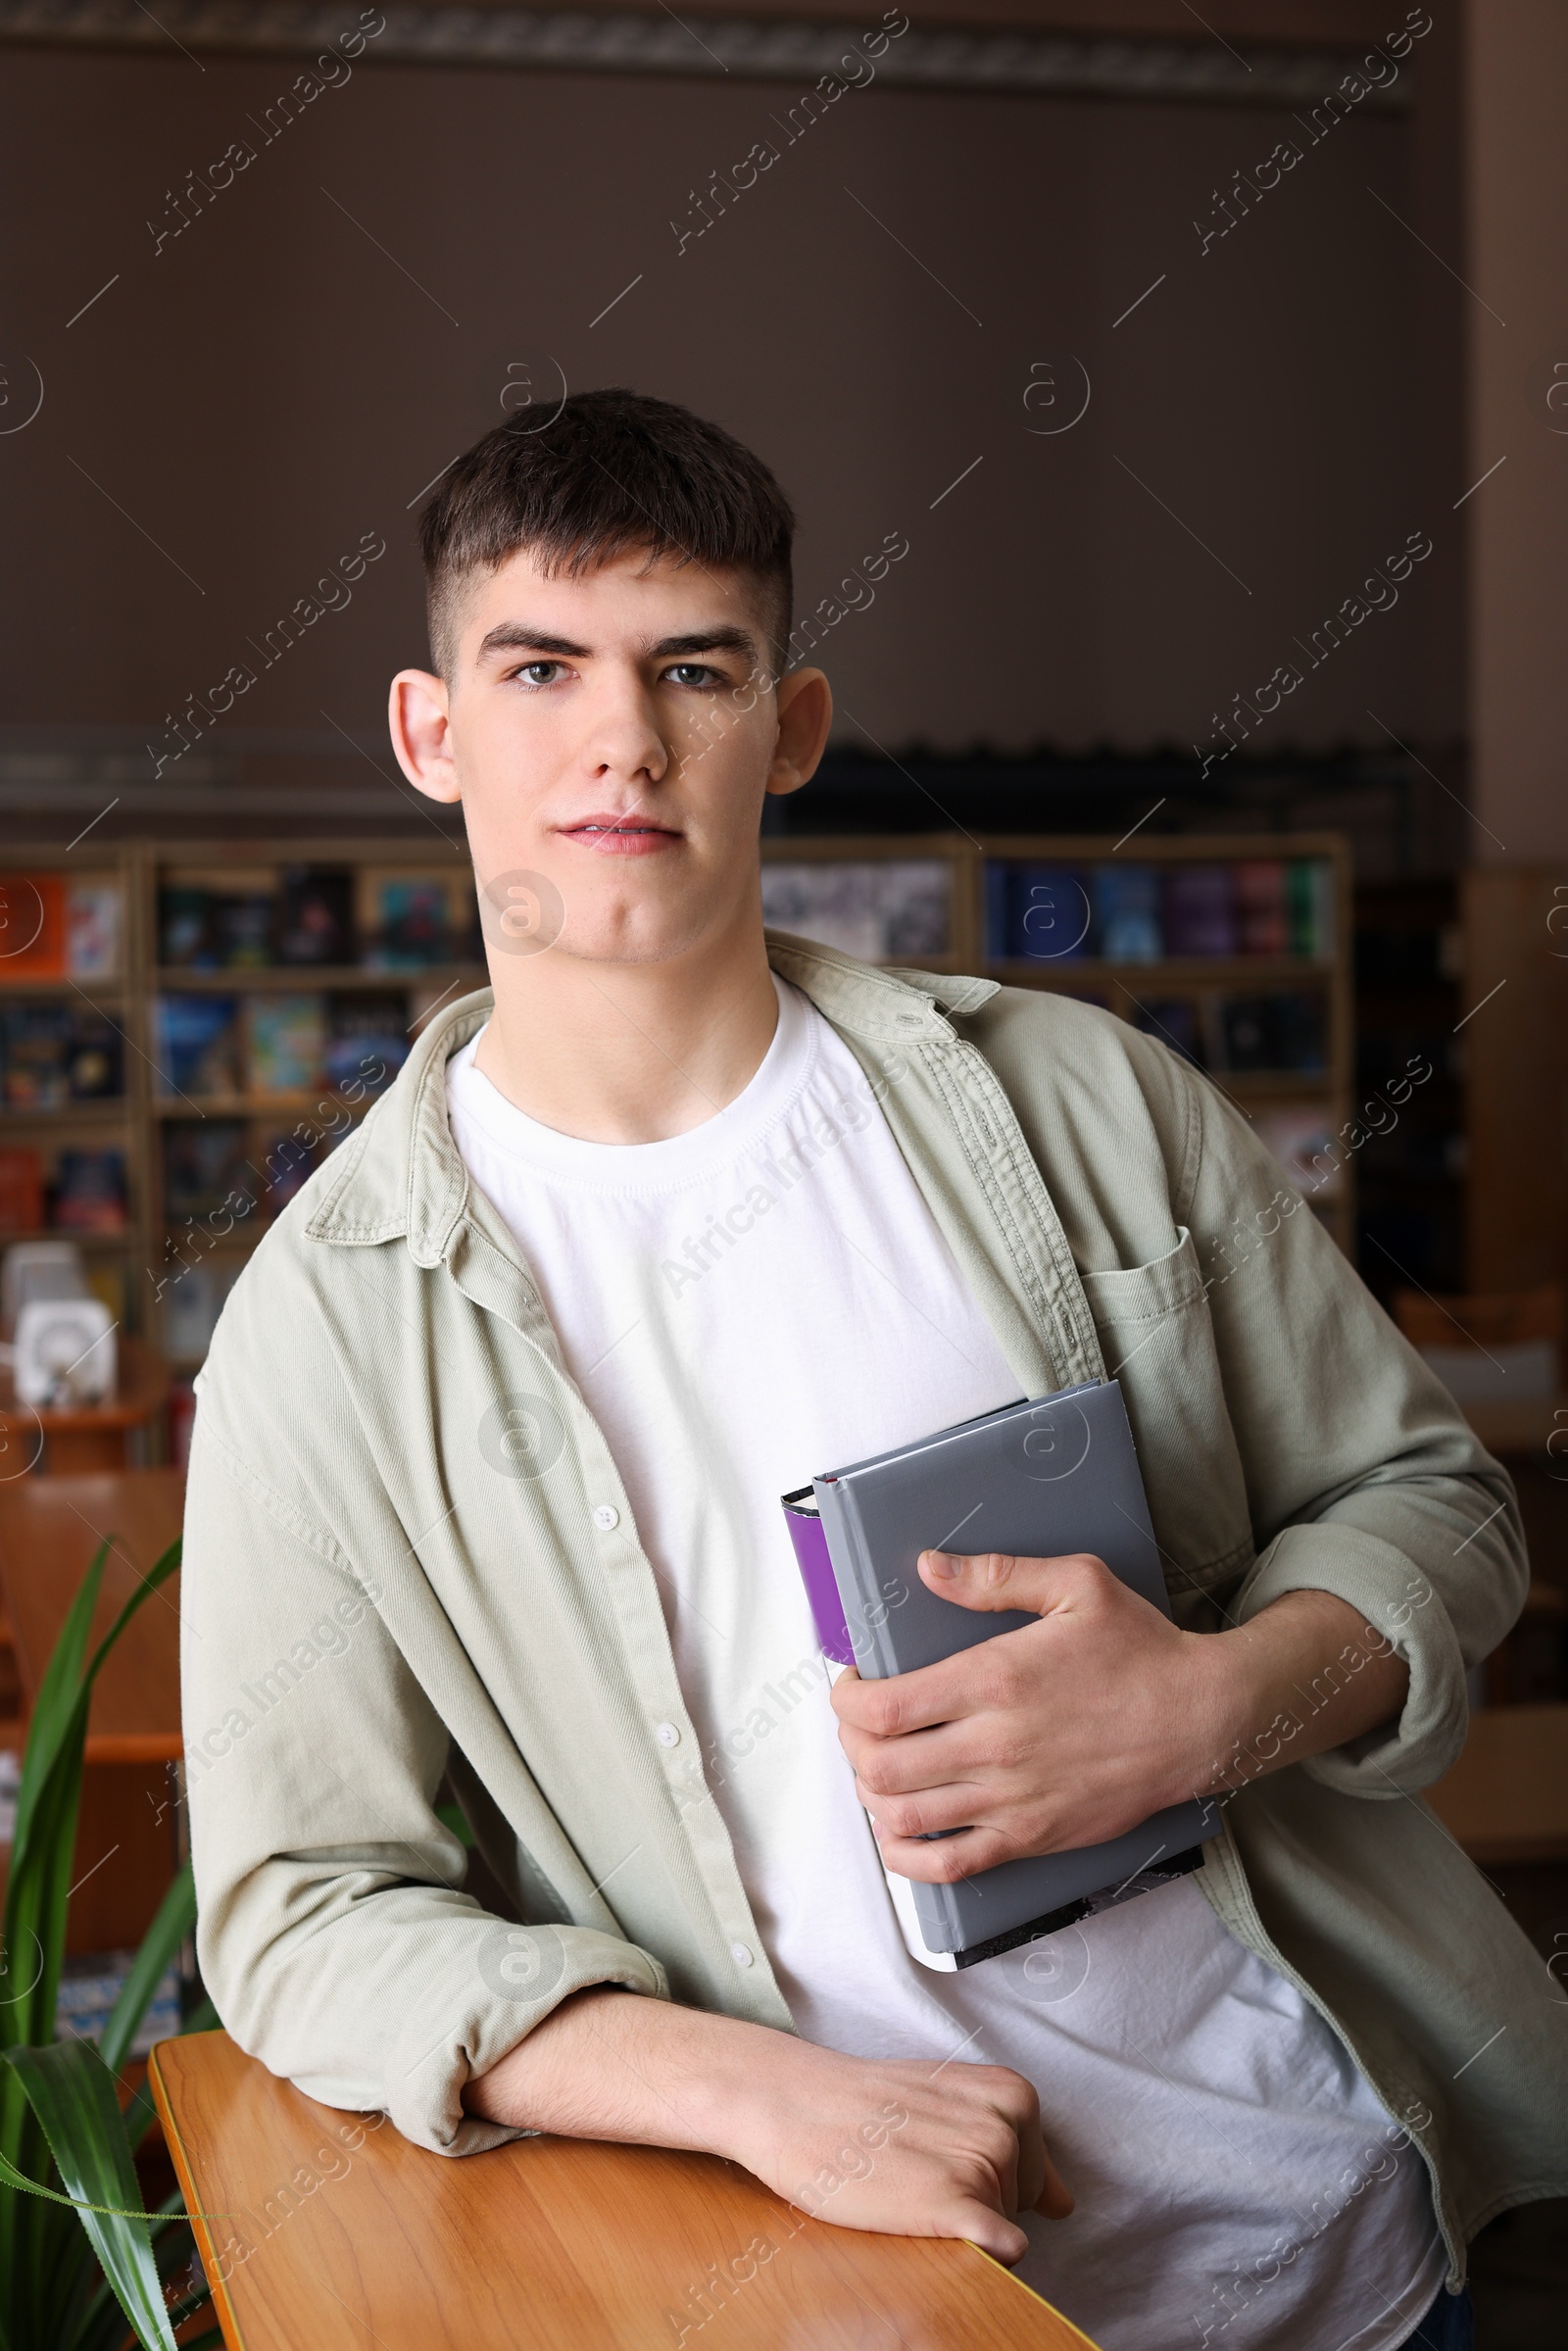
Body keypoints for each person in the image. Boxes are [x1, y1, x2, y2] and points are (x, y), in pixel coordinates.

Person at [182, 388, 1563, 2351]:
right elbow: (304, 1912)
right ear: (432, 733)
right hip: (873, 2304)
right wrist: (754, 2095)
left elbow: (1431, 1502)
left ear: (790, 723)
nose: (620, 740)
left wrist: (1213, 1706)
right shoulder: (322, 1326)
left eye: (693, 668)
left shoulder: (1087, 1103)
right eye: (541, 667)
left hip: (1344, 2238)